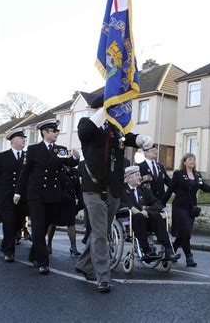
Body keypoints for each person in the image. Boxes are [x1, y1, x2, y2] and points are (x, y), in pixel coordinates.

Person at [75, 95, 153, 293]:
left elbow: (128, 138)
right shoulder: (88, 124)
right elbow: (85, 133)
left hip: (114, 189)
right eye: (113, 108)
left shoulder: (116, 129)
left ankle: (84, 264)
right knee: (102, 233)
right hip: (93, 189)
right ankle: (103, 276)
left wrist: (140, 139)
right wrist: (104, 111)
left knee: (99, 231)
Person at [14, 119, 79, 275]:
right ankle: (43, 262)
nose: (57, 133)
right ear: (44, 132)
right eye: (54, 131)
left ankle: (33, 254)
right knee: (37, 226)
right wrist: (18, 192)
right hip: (36, 194)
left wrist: (75, 158)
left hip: (53, 195)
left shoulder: (60, 150)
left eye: (57, 131)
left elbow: (69, 162)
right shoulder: (33, 149)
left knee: (43, 227)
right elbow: (25, 172)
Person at [161, 153, 210, 267]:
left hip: (191, 208)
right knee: (185, 231)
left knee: (183, 234)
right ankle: (189, 257)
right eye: (190, 159)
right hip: (179, 207)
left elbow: (204, 187)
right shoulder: (178, 174)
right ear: (184, 162)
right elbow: (170, 190)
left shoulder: (197, 175)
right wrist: (161, 204)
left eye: (194, 160)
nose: (192, 161)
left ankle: (171, 254)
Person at [121, 166, 176, 261]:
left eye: (140, 175)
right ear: (129, 177)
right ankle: (146, 249)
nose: (140, 177)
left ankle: (168, 249)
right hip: (129, 221)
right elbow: (116, 203)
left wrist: (147, 211)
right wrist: (131, 208)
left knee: (156, 216)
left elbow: (158, 203)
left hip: (146, 221)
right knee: (138, 216)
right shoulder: (121, 191)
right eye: (137, 175)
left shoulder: (144, 190)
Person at [0, 128, 27, 262]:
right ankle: (9, 251)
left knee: (17, 224)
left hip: (22, 197)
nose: (24, 141)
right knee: (8, 223)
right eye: (21, 138)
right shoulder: (1, 157)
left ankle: (6, 245)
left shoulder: (28, 157)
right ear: (13, 140)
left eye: (24, 139)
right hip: (6, 197)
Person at [47, 165, 83, 257]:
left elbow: (78, 188)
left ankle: (73, 247)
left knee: (71, 224)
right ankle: (49, 244)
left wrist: (80, 202)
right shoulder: (56, 170)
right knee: (53, 223)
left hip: (70, 202)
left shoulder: (75, 172)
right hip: (57, 201)